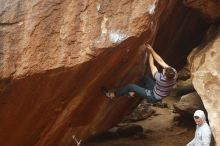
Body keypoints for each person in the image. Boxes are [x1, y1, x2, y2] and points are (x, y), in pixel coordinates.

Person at [103, 44, 178, 103]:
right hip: (157, 90)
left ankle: (112, 95)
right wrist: (152, 50)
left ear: (165, 76)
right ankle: (133, 92)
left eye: (164, 71)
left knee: (130, 86)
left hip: (153, 96)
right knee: (145, 78)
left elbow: (152, 65)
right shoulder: (173, 73)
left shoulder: (160, 79)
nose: (163, 69)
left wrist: (150, 53)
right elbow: (161, 61)